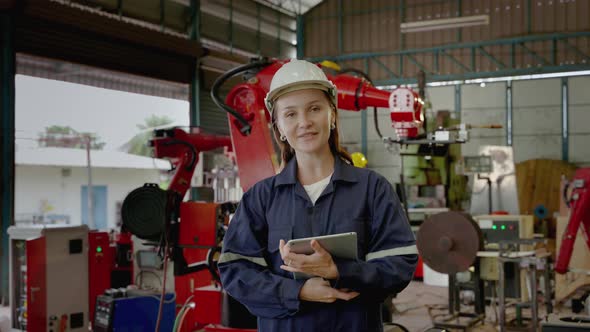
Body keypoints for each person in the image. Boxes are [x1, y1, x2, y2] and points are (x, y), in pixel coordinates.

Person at [218, 59, 417, 332]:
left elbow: (400, 263)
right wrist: (297, 292)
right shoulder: (260, 199)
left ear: (332, 115)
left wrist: (338, 271)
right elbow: (236, 271)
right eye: (290, 114)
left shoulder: (372, 189)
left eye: (314, 108)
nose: (304, 122)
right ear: (278, 128)